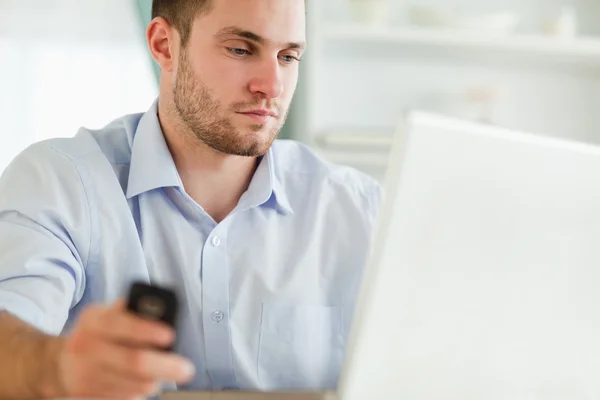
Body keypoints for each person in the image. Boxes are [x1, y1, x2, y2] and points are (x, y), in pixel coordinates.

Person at [0, 0, 381, 398]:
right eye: (240, 49)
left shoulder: (359, 210)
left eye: (288, 56)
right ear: (165, 45)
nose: (272, 86)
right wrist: (58, 368)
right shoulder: (60, 181)